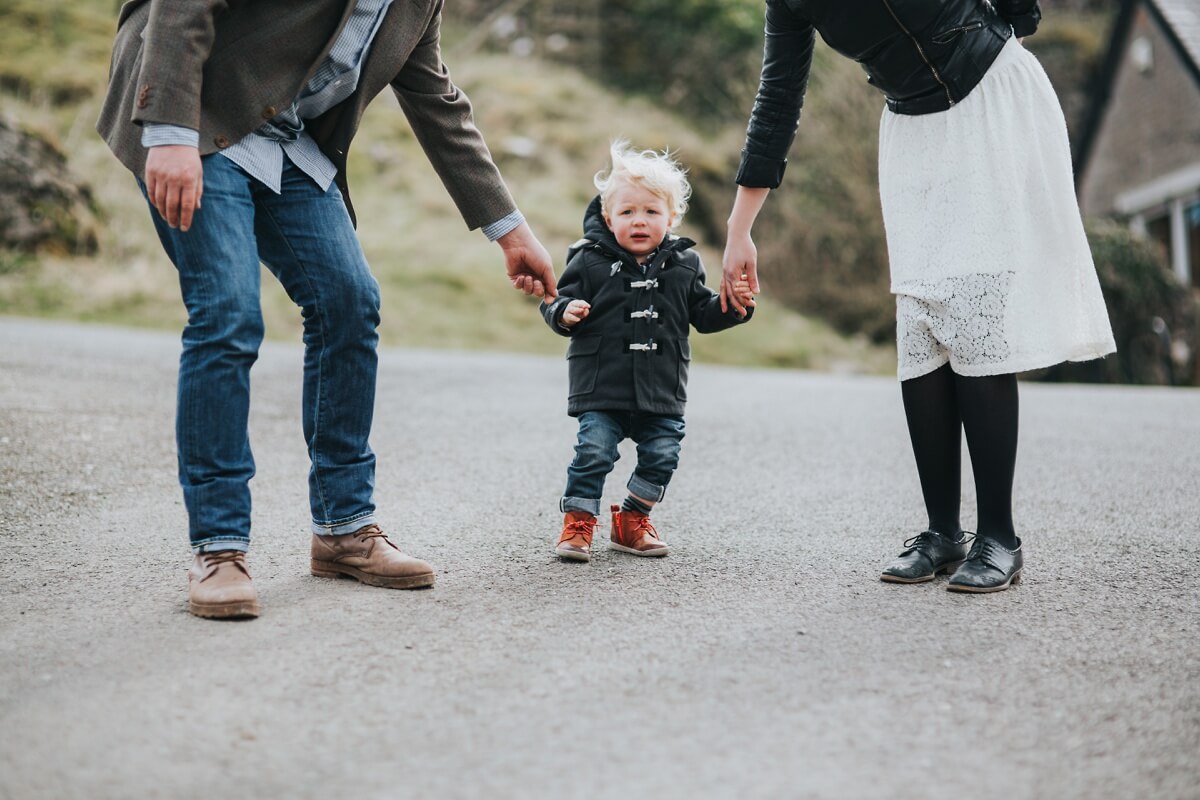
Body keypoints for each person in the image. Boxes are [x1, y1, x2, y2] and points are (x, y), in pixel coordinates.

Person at [96, 0, 557, 619]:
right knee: (227, 312)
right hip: (196, 109)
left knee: (349, 301)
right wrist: (172, 130)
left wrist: (510, 230)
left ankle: (344, 529)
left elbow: (433, 95)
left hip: (281, 134)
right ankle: (219, 547)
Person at [721, 1, 1115, 592]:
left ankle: (1000, 537)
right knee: (921, 320)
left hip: (987, 100)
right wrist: (738, 229)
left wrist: (1015, 11)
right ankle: (942, 533)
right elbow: (778, 99)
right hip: (912, 131)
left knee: (973, 310)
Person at [540, 141, 755, 562]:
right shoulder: (587, 261)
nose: (639, 221)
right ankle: (579, 523)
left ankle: (633, 518)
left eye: (652, 212)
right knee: (593, 452)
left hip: (662, 387)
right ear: (608, 217)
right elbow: (553, 300)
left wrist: (735, 306)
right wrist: (564, 312)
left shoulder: (686, 264)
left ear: (671, 218)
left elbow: (703, 313)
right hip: (602, 385)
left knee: (662, 455)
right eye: (627, 212)